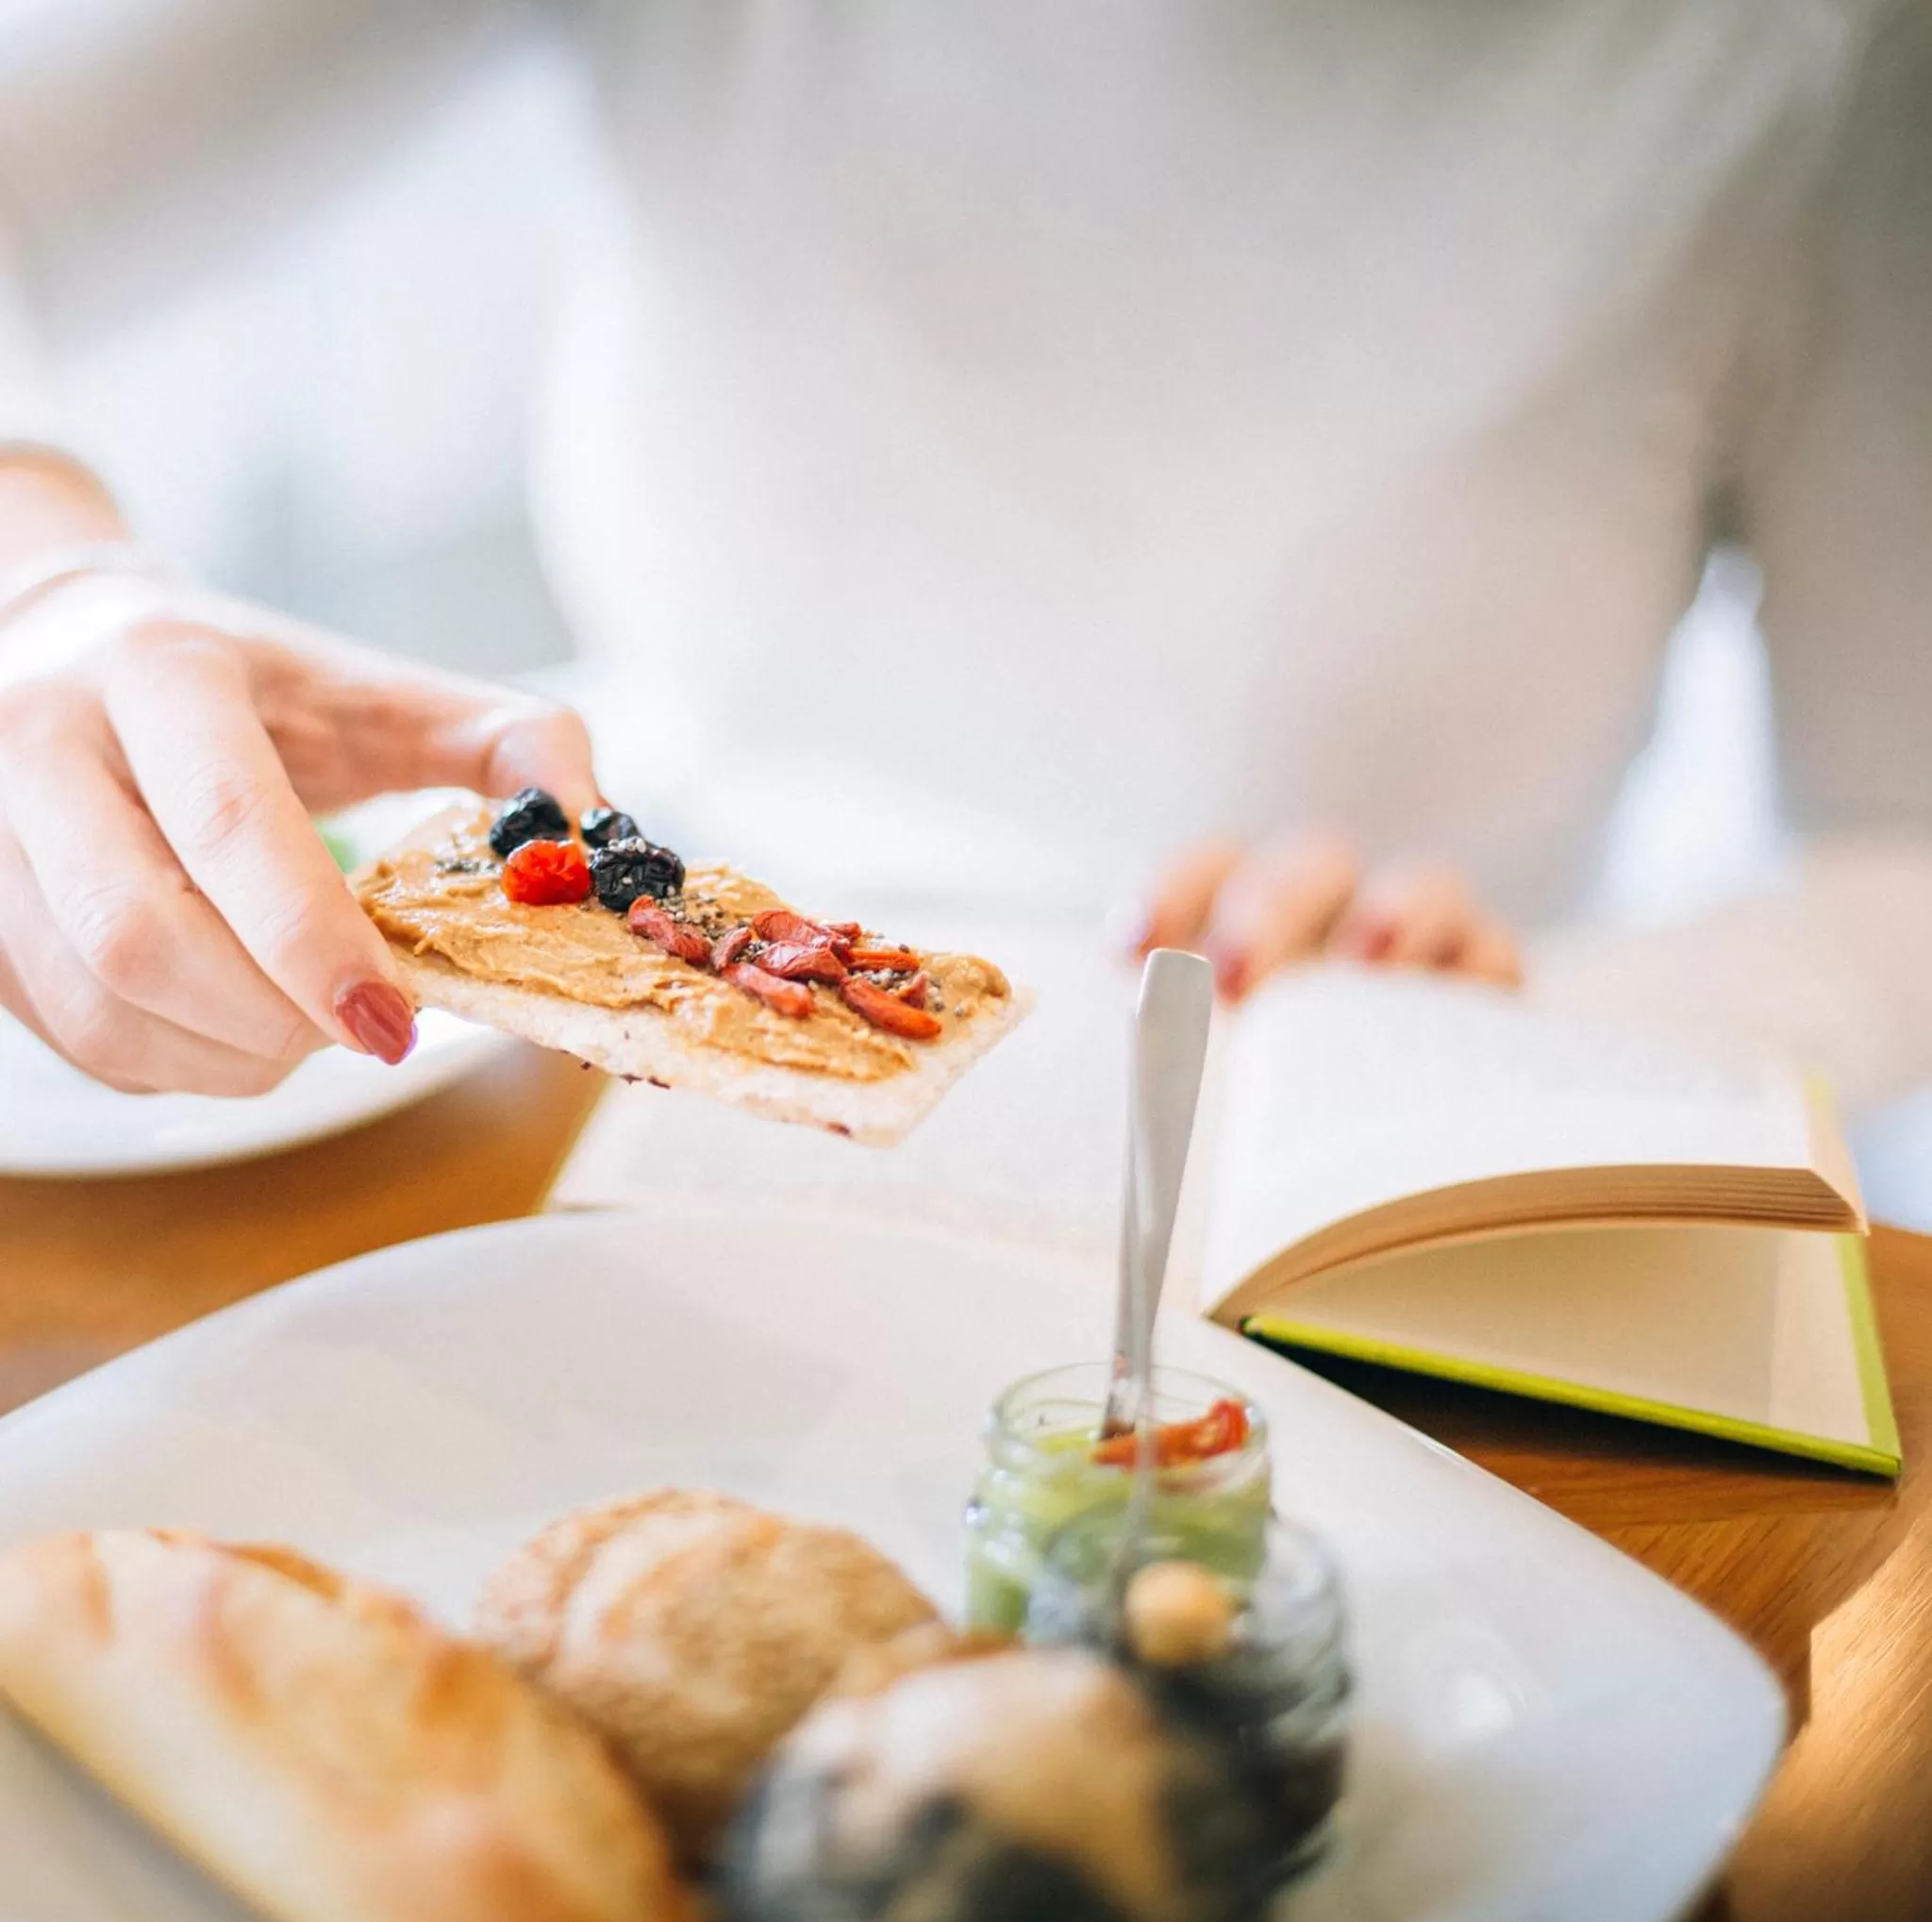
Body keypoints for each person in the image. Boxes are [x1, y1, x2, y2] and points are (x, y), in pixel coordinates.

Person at [0, 0, 1928, 1111]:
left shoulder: (1817, 63)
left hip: (1335, 1159)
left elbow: (1897, 863)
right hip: (585, 1116)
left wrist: (1531, 1033)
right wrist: (47, 586)